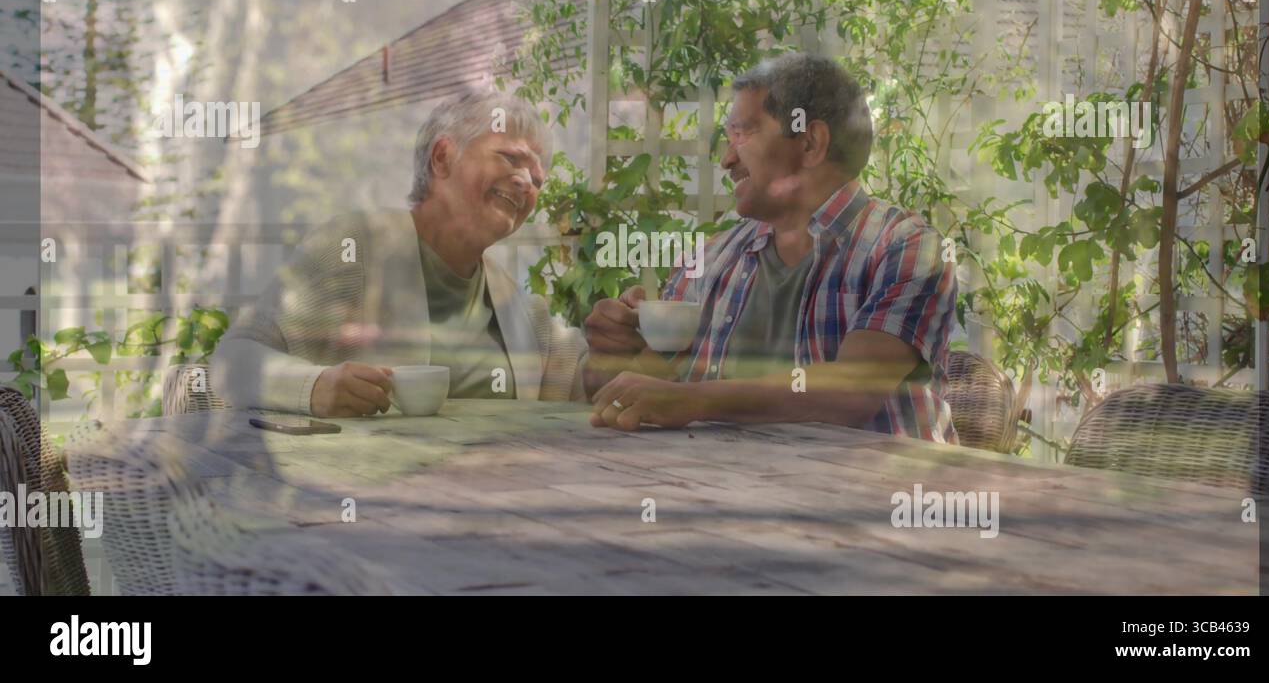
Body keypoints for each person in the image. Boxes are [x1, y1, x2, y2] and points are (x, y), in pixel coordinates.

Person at [583, 53, 958, 442]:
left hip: (873, 496)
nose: (727, 159)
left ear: (810, 142)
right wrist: (612, 353)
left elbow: (854, 389)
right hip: (718, 492)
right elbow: (635, 387)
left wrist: (693, 400)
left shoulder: (907, 248)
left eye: (743, 135)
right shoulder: (711, 259)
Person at [212, 89, 586, 417]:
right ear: (442, 158)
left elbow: (585, 378)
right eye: (509, 158)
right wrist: (315, 387)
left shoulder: (516, 306)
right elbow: (233, 359)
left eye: (538, 180)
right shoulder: (354, 249)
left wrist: (626, 335)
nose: (526, 183)